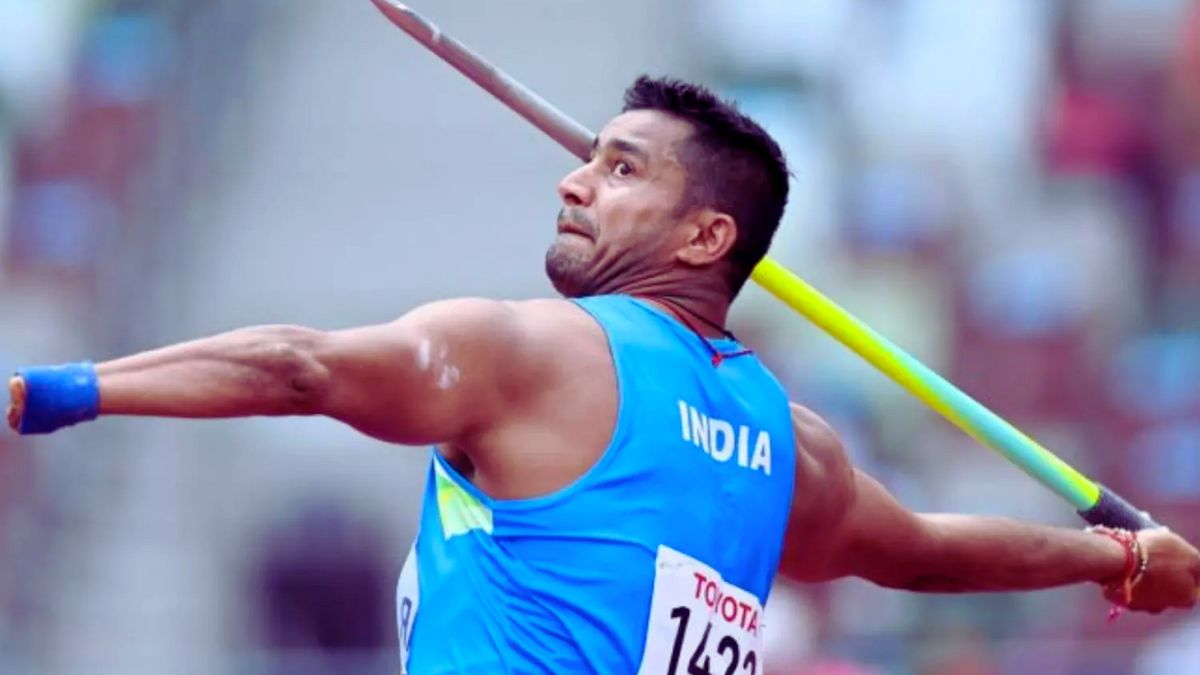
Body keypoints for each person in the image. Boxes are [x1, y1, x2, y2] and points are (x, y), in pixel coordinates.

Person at [6, 77, 1199, 674]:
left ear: (706, 237)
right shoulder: (789, 443)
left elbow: (296, 366)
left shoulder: (536, 354)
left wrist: (52, 391)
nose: (574, 182)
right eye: (589, 159)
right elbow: (930, 554)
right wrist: (1121, 559)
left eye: (621, 169)